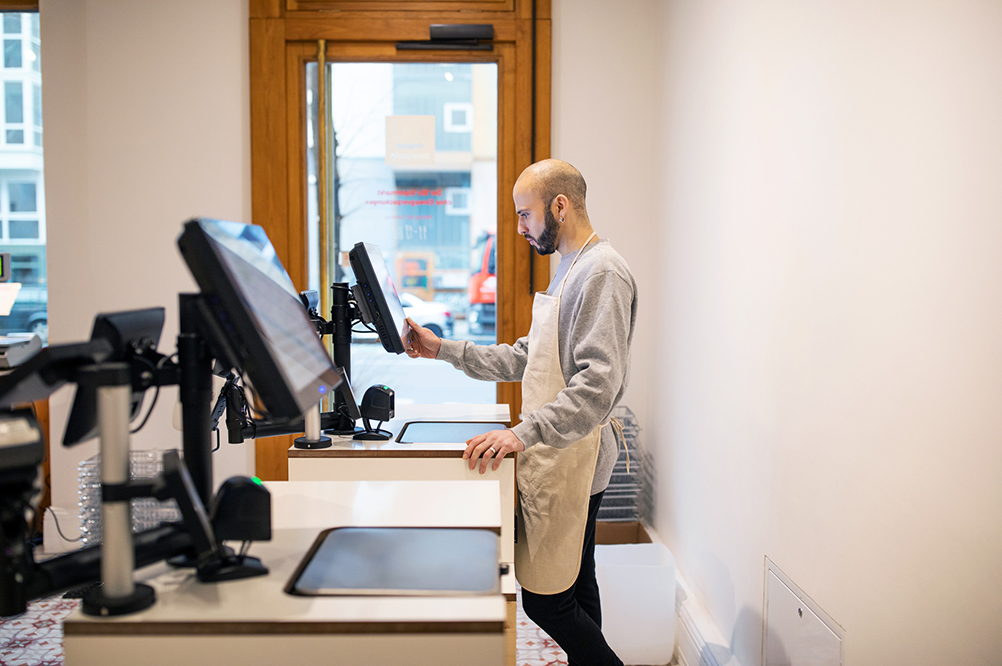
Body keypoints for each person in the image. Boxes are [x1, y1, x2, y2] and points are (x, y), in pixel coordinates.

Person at [405, 159, 636, 666]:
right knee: (578, 582)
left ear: (560, 205)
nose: (519, 228)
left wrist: (522, 433)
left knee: (548, 600)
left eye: (525, 215)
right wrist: (442, 349)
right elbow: (524, 357)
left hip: (574, 456)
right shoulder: (570, 269)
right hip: (561, 453)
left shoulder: (603, 273)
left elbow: (598, 385)